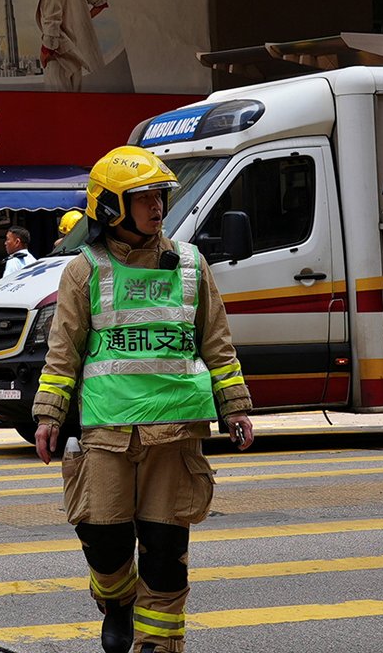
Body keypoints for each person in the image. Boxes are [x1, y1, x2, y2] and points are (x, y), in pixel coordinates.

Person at [33, 146, 253, 653]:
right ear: (111, 206)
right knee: (105, 544)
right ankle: (115, 602)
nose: (157, 206)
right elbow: (63, 352)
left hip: (175, 434)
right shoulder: (85, 270)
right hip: (107, 433)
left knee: (165, 551)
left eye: (160, 195)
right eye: (144, 197)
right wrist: (48, 414)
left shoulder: (192, 264)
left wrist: (235, 405)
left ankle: (156, 645)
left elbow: (217, 345)